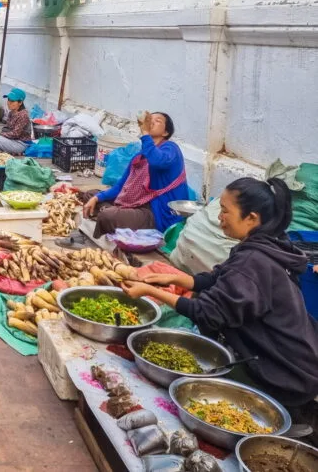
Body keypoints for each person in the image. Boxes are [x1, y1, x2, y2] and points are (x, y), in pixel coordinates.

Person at [122, 177, 318, 408]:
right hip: (295, 364)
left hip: (281, 376)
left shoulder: (255, 262)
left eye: (225, 211)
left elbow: (206, 312)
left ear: (252, 218)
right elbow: (218, 278)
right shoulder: (264, 243)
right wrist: (176, 278)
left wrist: (148, 290)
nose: (219, 218)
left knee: (186, 386)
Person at [83, 111, 188, 237]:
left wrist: (145, 134)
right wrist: (96, 198)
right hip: (134, 203)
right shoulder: (139, 157)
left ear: (165, 133)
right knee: (90, 195)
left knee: (107, 216)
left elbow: (156, 161)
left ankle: (112, 216)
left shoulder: (171, 148)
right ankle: (117, 215)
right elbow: (120, 187)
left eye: (158, 120)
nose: (151, 122)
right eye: (150, 119)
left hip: (154, 213)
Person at [0, 88, 33, 155]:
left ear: (20, 102)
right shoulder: (11, 113)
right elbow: (7, 129)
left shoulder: (23, 115)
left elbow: (15, 134)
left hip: (21, 144)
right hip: (11, 140)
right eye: (8, 100)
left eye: (12, 101)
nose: (9, 103)